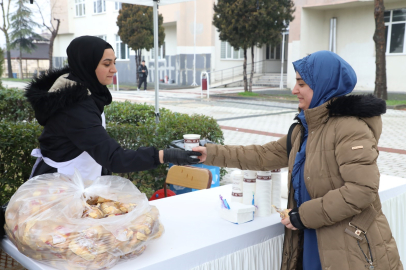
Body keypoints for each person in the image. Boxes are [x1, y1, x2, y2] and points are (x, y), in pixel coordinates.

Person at [193, 51, 403, 270]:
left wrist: (303, 216)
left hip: (350, 246)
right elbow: (263, 155)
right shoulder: (306, 129)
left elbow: (362, 190)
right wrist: (211, 153)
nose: (294, 90)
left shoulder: (350, 128)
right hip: (314, 237)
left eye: (301, 84)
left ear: (323, 84)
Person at [22, 36, 200, 181]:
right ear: (87, 65)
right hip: (59, 187)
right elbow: (114, 158)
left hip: (79, 181)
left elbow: (95, 146)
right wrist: (164, 155)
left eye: (114, 62)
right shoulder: (75, 107)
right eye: (106, 64)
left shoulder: (86, 92)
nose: (114, 69)